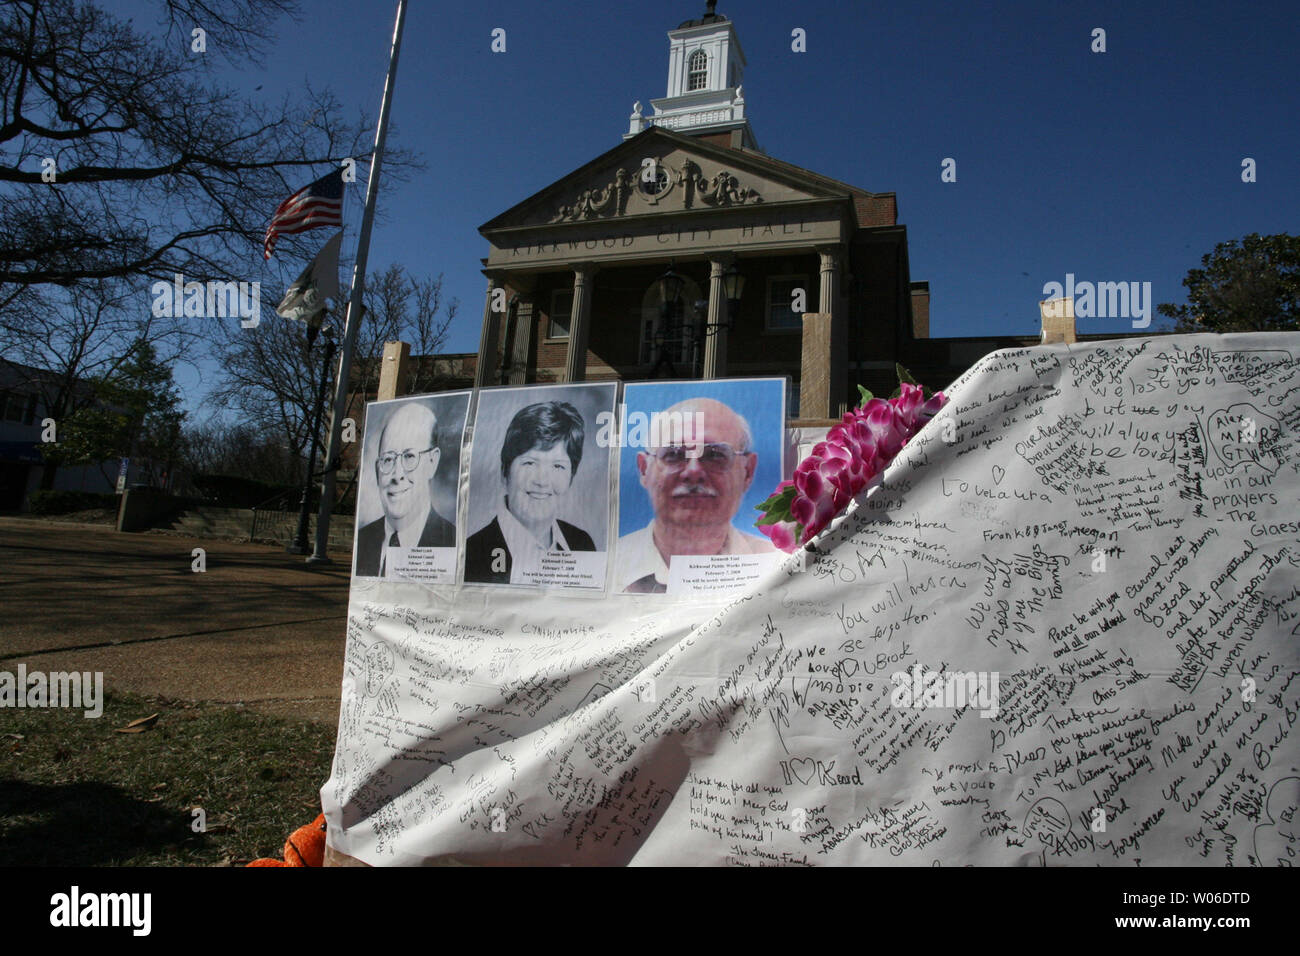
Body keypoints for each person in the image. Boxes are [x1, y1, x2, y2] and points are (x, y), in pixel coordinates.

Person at [615, 396, 773, 593]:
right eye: (673, 454)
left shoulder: (776, 563)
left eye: (715, 454)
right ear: (644, 469)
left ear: (747, 471)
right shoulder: (610, 565)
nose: (693, 472)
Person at [465, 401, 596, 585]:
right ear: (505, 472)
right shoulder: (471, 554)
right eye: (529, 463)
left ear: (571, 477)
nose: (542, 481)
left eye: (558, 466)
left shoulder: (583, 544)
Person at [354, 402, 455, 578]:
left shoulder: (453, 541)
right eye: (388, 459)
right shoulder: (362, 540)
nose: (397, 475)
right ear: (378, 469)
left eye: (409, 457)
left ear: (432, 462)